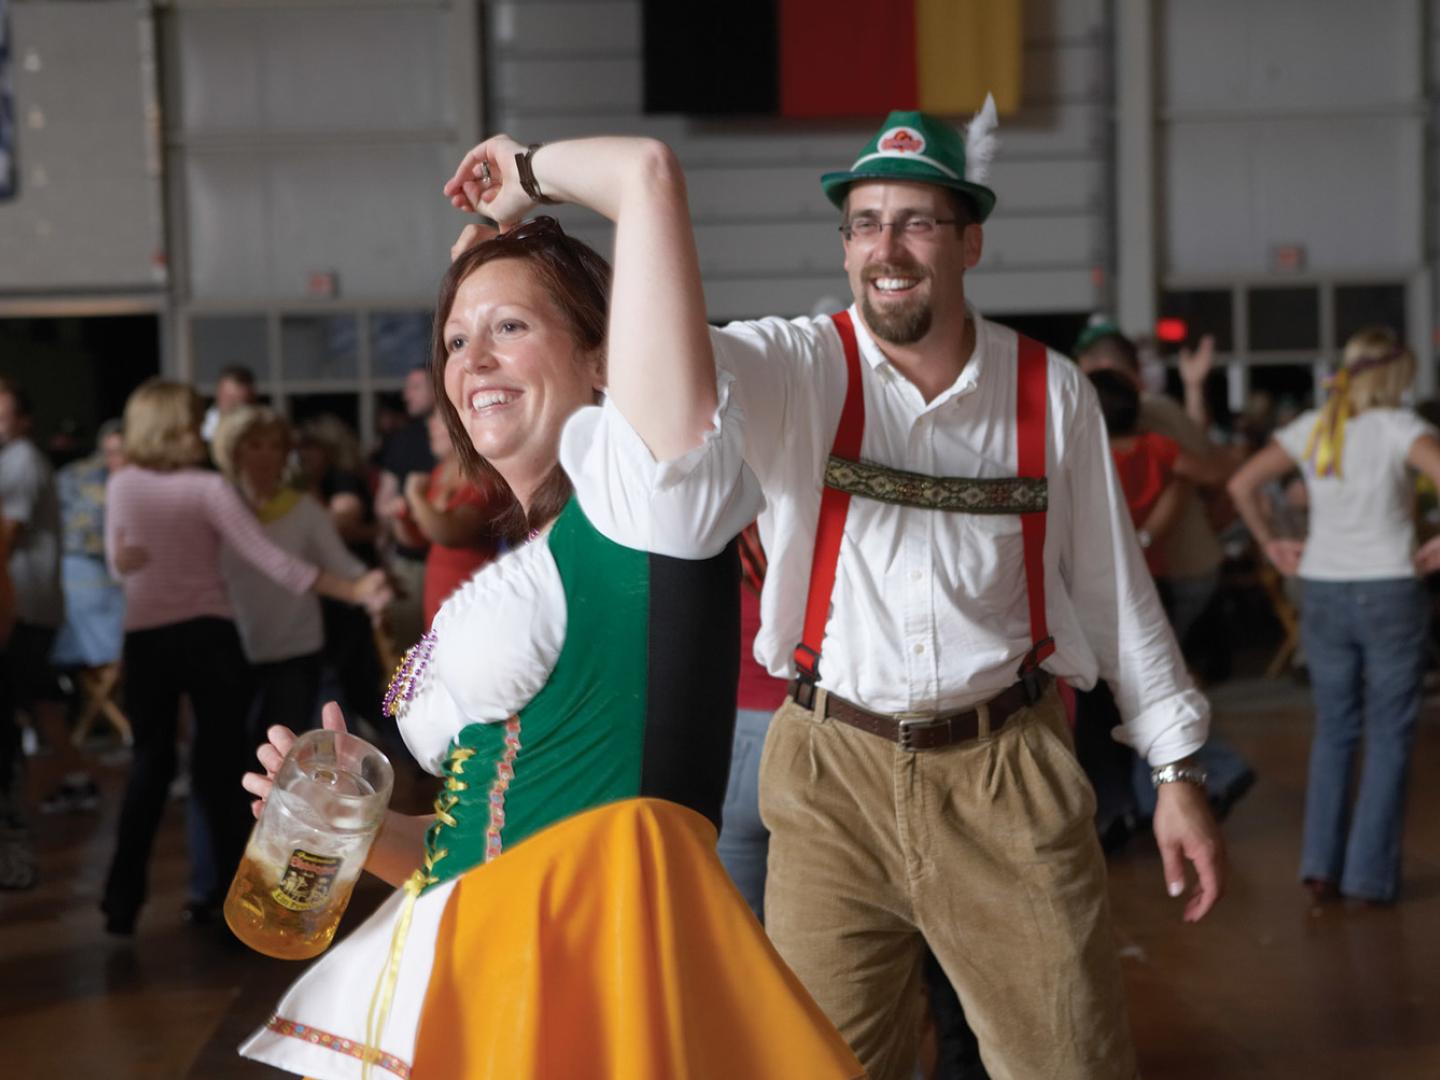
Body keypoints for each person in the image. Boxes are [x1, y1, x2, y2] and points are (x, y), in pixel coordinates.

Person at [237, 138, 861, 1079]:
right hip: (486, 969)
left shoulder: (648, 493)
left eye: (511, 329)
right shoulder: (531, 555)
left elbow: (646, 173)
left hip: (602, 984)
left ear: (606, 358)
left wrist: (521, 177)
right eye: (454, 340)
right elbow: (485, 855)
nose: (472, 358)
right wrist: (350, 827)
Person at [632, 106, 1221, 1078]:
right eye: (864, 223)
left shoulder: (1052, 392)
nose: (885, 247)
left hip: (1006, 774)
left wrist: (1177, 772)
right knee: (819, 1064)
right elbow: (680, 359)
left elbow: (1118, 598)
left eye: (916, 222)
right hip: (830, 772)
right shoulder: (801, 365)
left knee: (1068, 1063)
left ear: (969, 239)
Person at [100, 379, 390, 936]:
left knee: (150, 766)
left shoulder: (123, 485)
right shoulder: (208, 488)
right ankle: (237, 905)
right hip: (209, 639)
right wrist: (353, 590)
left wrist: (133, 564)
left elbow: (120, 564)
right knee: (222, 775)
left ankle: (121, 901)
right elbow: (272, 561)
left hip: (148, 643)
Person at [1229, 327, 1440, 905]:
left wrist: (1271, 543)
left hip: (1321, 590)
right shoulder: (1402, 428)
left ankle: (1321, 867)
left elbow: (1241, 483)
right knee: (1390, 732)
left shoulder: (1316, 428)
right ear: (1397, 376)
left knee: (1335, 730)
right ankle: (1369, 878)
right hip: (1390, 589)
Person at [214, 405, 370, 740]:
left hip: (295, 647)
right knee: (227, 752)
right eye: (255, 445)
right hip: (230, 646)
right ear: (234, 451)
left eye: (275, 446)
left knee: (280, 753)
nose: (266, 455)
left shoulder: (303, 508)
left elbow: (343, 566)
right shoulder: (216, 508)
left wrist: (371, 586)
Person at [0, 378, 74, 807]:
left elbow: (9, 532)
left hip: (24, 602)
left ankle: (69, 775)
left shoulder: (22, 459)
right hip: (21, 601)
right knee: (35, 697)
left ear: (23, 421)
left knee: (34, 697)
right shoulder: (13, 458)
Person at [394, 408, 502, 628]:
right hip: (438, 597)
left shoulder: (485, 478)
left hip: (470, 601)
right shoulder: (439, 472)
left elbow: (451, 534)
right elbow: (419, 539)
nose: (429, 425)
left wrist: (415, 497)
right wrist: (400, 519)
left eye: (438, 418)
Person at [374, 365, 438, 651]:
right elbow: (383, 502)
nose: (405, 395)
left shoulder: (468, 435)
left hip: (457, 559)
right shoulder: (402, 439)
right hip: (411, 560)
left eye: (415, 387)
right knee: (410, 656)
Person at [200, 364, 258, 443]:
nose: (236, 408)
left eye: (243, 404)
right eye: (230, 399)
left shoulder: (264, 428)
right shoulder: (200, 427)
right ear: (218, 394)